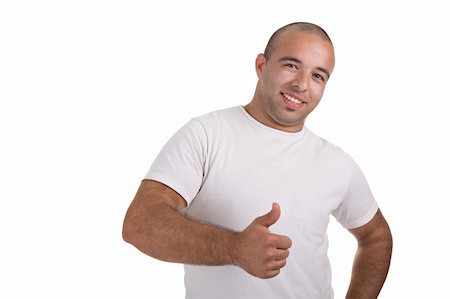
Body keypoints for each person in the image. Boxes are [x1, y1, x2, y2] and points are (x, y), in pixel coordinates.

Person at [122, 22, 393, 299]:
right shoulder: (206, 135)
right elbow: (141, 223)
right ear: (261, 65)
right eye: (291, 65)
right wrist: (233, 248)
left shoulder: (337, 163)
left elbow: (376, 237)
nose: (301, 84)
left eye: (318, 76)